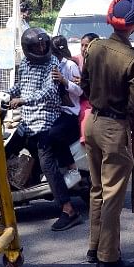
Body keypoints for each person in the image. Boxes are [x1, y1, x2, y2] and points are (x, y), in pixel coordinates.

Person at [80, 0, 134, 267]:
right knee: (112, 194)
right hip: (113, 127)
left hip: (92, 122)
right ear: (132, 26)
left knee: (97, 190)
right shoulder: (132, 58)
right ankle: (108, 256)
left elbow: (84, 84)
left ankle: (94, 247)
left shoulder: (93, 47)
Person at [8, 29, 80, 231]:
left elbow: (49, 91)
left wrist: (23, 100)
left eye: (43, 45)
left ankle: (68, 210)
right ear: (27, 49)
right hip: (27, 121)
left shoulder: (52, 64)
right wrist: (4, 94)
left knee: (47, 163)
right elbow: (20, 86)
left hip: (46, 121)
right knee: (7, 148)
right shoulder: (24, 64)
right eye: (36, 46)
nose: (40, 49)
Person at [49, 35, 84, 190]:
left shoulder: (70, 66)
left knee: (54, 134)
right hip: (53, 111)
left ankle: (72, 168)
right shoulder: (49, 65)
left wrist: (64, 80)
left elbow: (79, 90)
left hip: (69, 112)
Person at [77, 33, 99, 137]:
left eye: (87, 45)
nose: (83, 49)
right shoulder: (76, 60)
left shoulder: (100, 63)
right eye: (82, 45)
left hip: (91, 102)